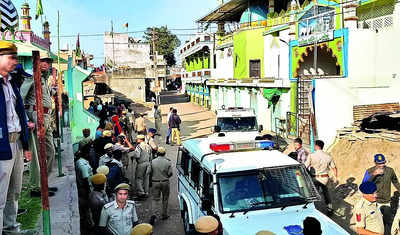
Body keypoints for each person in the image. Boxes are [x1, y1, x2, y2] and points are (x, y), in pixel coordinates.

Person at [0, 41, 32, 234]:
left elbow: (19, 114)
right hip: (2, 146)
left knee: (15, 190)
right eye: (11, 57)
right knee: (0, 196)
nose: (15, 61)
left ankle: (11, 227)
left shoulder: (11, 83)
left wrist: (25, 144)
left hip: (17, 143)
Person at [21, 51, 56, 174]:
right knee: (36, 153)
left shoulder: (44, 79)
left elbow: (47, 94)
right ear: (37, 61)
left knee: (51, 151)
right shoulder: (32, 77)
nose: (46, 63)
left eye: (48, 61)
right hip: (36, 115)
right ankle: (36, 185)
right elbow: (21, 98)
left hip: (46, 116)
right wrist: (26, 120)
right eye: (43, 60)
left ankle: (44, 182)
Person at [363, 154, 400, 235]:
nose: (381, 165)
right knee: (376, 223)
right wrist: (374, 174)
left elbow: (395, 181)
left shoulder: (390, 171)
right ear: (375, 163)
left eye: (383, 163)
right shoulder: (369, 171)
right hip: (374, 202)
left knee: (389, 220)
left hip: (386, 201)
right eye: (379, 163)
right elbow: (364, 185)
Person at [304, 140, 338, 213]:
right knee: (326, 193)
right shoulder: (328, 156)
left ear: (316, 146)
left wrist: (308, 174)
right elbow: (334, 168)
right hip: (325, 178)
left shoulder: (311, 156)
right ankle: (329, 208)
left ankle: (314, 209)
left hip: (315, 178)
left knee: (314, 194)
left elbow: (305, 167)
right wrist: (335, 177)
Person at [149, 147, 172, 224]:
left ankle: (153, 215)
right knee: (165, 199)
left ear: (157, 153)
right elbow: (170, 173)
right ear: (164, 153)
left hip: (155, 182)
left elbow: (149, 172)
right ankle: (164, 214)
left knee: (155, 199)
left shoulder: (153, 161)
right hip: (165, 182)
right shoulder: (168, 162)